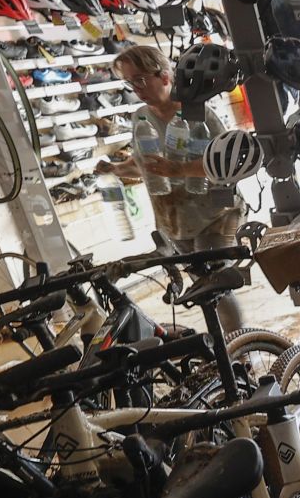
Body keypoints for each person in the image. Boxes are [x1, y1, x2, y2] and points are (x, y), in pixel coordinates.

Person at [103, 44, 244, 330]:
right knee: (204, 289)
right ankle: (229, 351)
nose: (137, 88)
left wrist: (179, 169)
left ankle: (244, 355)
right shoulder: (140, 117)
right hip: (176, 221)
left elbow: (228, 162)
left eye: (141, 79)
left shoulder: (198, 113)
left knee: (215, 284)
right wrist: (117, 169)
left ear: (165, 76)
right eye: (131, 82)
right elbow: (146, 162)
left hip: (215, 214)